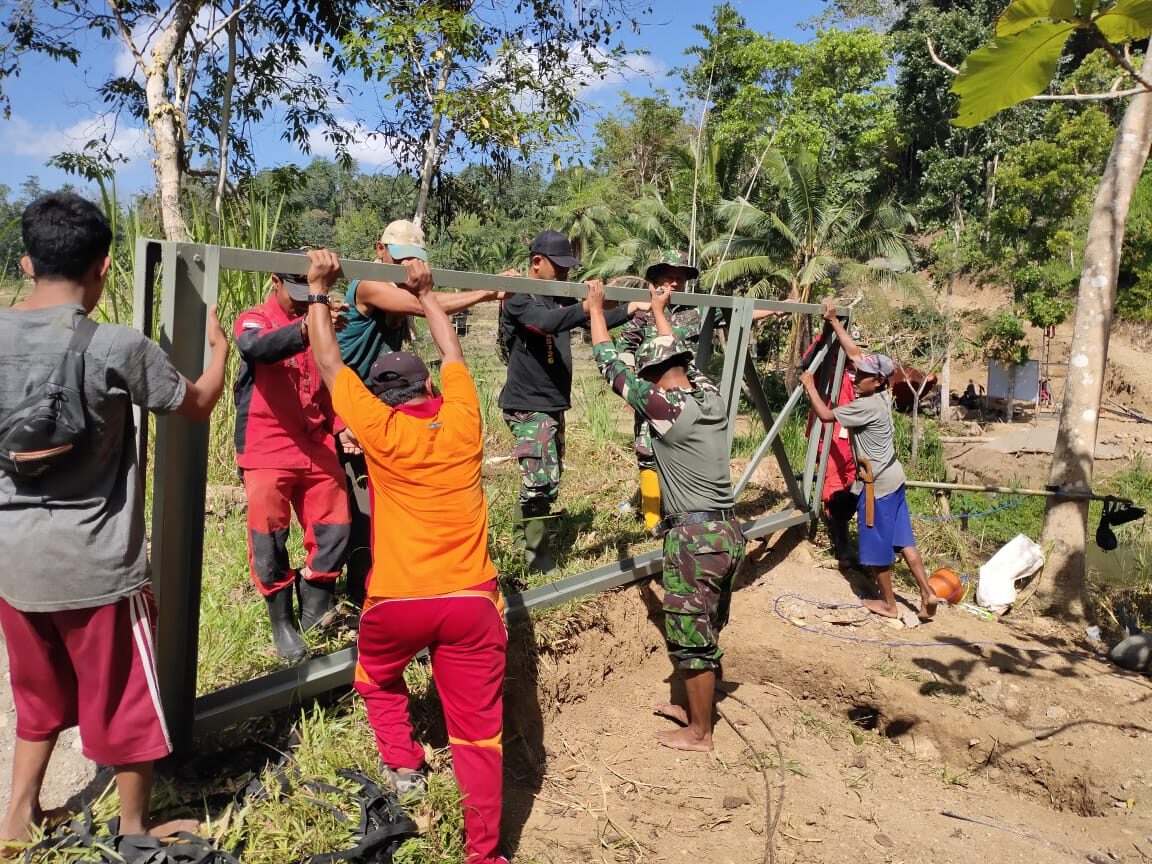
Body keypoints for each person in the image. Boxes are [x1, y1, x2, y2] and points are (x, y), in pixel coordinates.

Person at [0, 192, 229, 845]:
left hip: (12, 563)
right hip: (95, 567)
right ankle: (133, 828)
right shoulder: (118, 346)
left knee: (37, 694)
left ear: (25, 262)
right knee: (127, 699)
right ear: (102, 268)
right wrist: (217, 354)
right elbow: (197, 404)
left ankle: (16, 819)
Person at [306, 249, 508, 864]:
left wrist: (317, 291)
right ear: (427, 388)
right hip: (472, 601)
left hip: (397, 602)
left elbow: (328, 358)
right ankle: (485, 855)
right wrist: (425, 294)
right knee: (479, 737)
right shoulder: (464, 420)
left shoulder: (381, 432)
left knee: (376, 678)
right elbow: (452, 352)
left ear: (386, 398)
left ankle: (404, 766)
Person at [588, 280, 746, 753]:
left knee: (691, 633)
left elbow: (610, 365)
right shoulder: (711, 399)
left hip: (694, 537)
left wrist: (596, 310)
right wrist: (660, 312)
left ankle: (700, 732)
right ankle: (691, 708)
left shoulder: (665, 408)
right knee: (706, 624)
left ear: (654, 373)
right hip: (728, 530)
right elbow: (689, 363)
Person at [336, 219, 499, 609]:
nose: (408, 267)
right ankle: (360, 592)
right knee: (357, 509)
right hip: (348, 408)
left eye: (415, 260)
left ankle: (396, 586)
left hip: (382, 411)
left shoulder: (396, 284)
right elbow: (421, 305)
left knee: (384, 504)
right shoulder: (368, 282)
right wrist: (484, 294)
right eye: (402, 258)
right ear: (380, 250)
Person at [497, 230, 640, 573]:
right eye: (558, 267)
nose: (565, 274)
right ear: (536, 263)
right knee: (540, 479)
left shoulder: (558, 297)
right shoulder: (520, 297)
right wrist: (585, 305)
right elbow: (546, 324)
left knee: (545, 475)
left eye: (568, 268)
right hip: (527, 404)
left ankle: (522, 540)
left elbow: (585, 319)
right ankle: (537, 558)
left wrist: (629, 308)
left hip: (551, 404)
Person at [233, 253, 352, 662]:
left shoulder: (320, 323)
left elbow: (329, 381)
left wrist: (342, 426)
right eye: (297, 292)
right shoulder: (255, 319)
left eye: (311, 293)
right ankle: (282, 622)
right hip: (267, 447)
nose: (304, 301)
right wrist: (307, 327)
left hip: (315, 444)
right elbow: (258, 349)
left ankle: (317, 607)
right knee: (269, 536)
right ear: (274, 281)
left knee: (335, 526)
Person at [615, 251, 784, 531]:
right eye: (669, 277)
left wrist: (779, 308)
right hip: (653, 395)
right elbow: (624, 349)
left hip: (686, 398)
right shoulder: (643, 312)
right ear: (655, 281)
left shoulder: (697, 310)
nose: (675, 284)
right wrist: (632, 384)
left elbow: (740, 315)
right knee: (647, 451)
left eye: (680, 279)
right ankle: (652, 520)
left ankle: (676, 511)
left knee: (685, 452)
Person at [800, 299, 938, 621]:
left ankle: (889, 605)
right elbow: (856, 354)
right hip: (895, 477)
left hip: (877, 488)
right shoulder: (879, 394)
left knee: (875, 550)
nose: (853, 375)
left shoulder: (864, 406)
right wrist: (834, 321)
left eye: (859, 375)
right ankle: (928, 592)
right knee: (904, 541)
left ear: (876, 380)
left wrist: (810, 386)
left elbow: (824, 414)